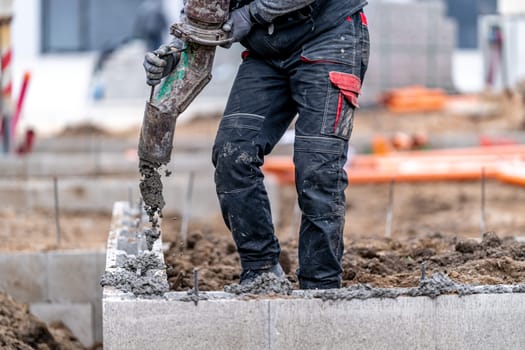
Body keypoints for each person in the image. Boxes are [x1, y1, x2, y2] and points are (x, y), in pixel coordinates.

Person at [144, 0, 369, 289]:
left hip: (329, 35)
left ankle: (321, 288)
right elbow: (202, 13)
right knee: (232, 154)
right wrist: (176, 51)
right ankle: (261, 272)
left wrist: (251, 14)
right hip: (267, 49)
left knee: (318, 169)